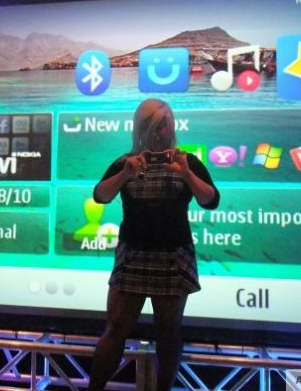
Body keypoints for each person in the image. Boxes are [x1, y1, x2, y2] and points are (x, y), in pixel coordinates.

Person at [87, 98, 220, 391]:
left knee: (168, 333)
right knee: (116, 329)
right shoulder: (125, 162)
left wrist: (186, 174)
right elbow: (100, 196)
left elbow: (211, 200)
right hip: (132, 256)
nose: (161, 133)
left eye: (165, 125)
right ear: (141, 129)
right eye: (155, 126)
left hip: (173, 257)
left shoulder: (187, 161)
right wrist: (125, 174)